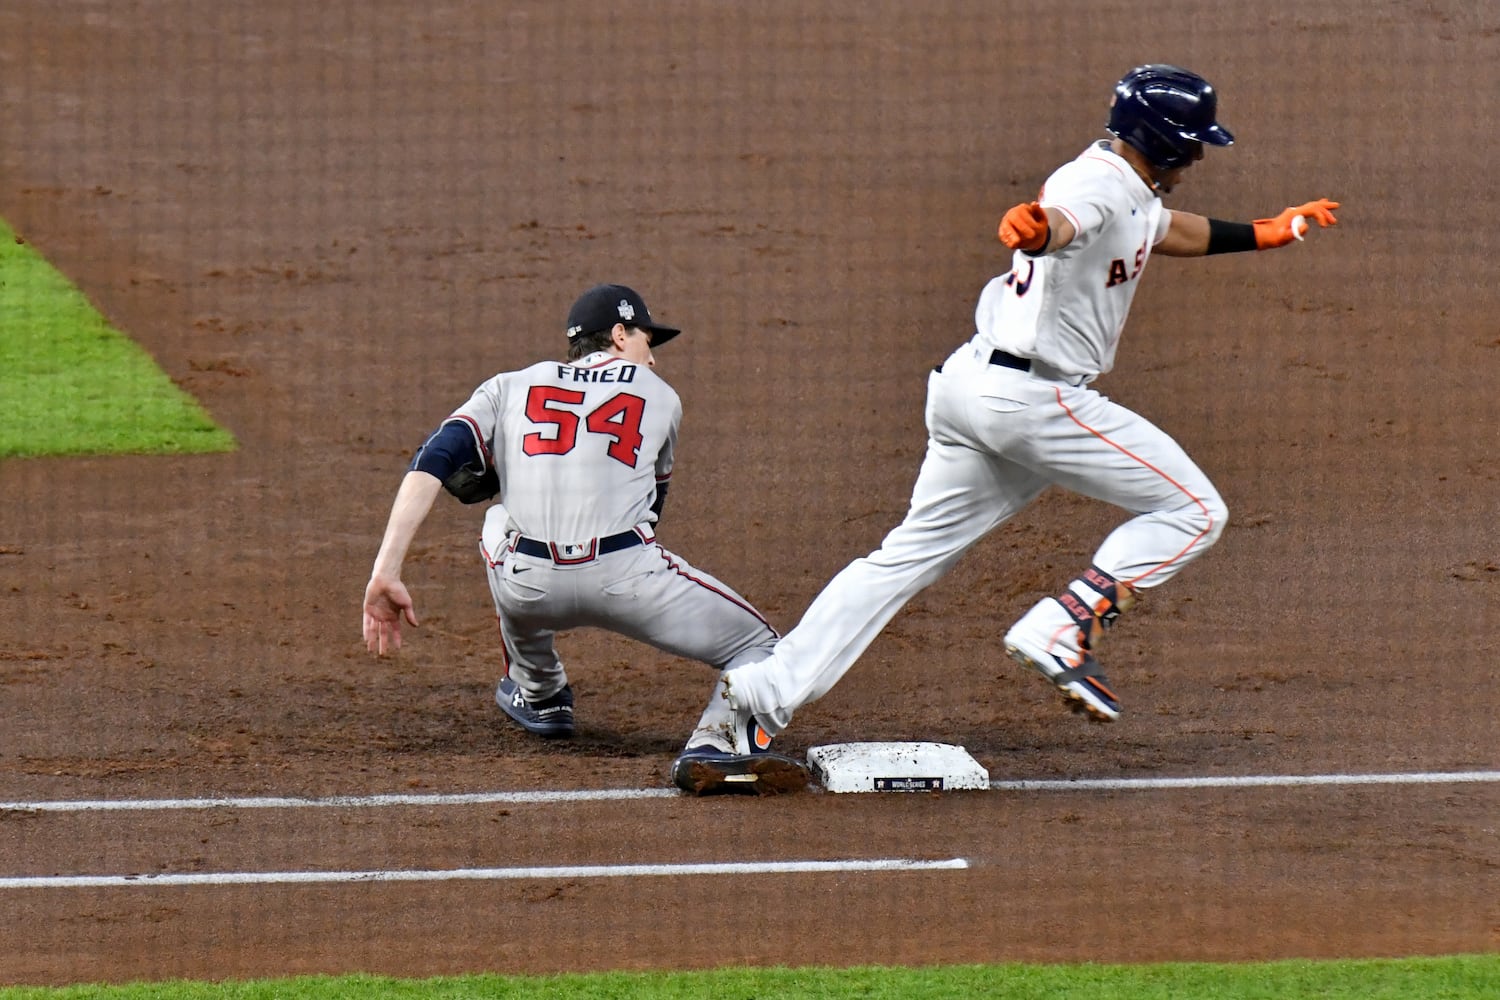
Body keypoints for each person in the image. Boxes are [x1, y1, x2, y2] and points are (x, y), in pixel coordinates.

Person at [715, 64, 1340, 740]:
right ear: (1162, 141)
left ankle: (771, 685)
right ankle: (1062, 628)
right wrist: (1039, 232)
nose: (1196, 158)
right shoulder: (1094, 183)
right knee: (1194, 510)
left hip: (972, 388)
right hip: (1031, 399)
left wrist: (1264, 232)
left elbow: (1161, 228)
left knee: (906, 556)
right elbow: (1067, 221)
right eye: (1192, 145)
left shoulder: (1131, 187)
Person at [362, 283, 807, 796]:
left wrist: (386, 570)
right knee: (761, 647)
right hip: (628, 581)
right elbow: (651, 512)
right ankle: (718, 742)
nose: (652, 360)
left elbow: (432, 461)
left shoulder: (507, 385)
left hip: (528, 586)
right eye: (646, 341)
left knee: (498, 524)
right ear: (619, 335)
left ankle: (540, 692)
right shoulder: (661, 395)